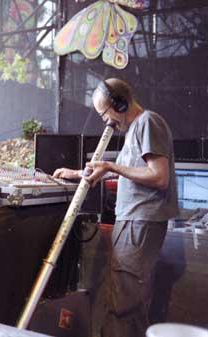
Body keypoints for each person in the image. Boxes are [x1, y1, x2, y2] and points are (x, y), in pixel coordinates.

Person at [53, 78, 178, 337]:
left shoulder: (148, 122)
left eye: (105, 114)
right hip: (133, 222)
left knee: (123, 303)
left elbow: (159, 176)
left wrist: (111, 165)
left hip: (139, 222)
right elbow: (127, 171)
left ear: (120, 104)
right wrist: (77, 173)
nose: (106, 122)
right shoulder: (135, 129)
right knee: (128, 301)